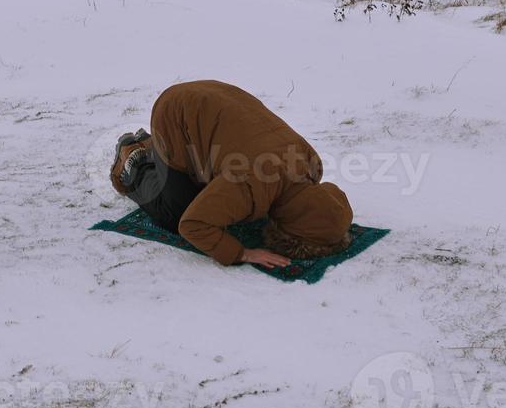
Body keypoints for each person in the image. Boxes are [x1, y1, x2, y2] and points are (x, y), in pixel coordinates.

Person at [109, 80, 354, 269]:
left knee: (209, 191)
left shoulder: (312, 165)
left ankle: (152, 148)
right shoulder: (249, 185)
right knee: (177, 213)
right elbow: (192, 225)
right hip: (175, 114)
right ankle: (135, 159)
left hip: (216, 100)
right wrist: (243, 253)